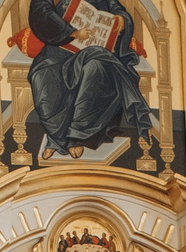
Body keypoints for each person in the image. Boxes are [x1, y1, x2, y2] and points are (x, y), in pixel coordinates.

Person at [20, 0, 154, 163]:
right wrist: (72, 33)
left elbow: (115, 7)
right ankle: (57, 138)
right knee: (41, 75)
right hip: (60, 49)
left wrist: (121, 19)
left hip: (93, 49)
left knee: (95, 69)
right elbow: (41, 13)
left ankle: (77, 136)